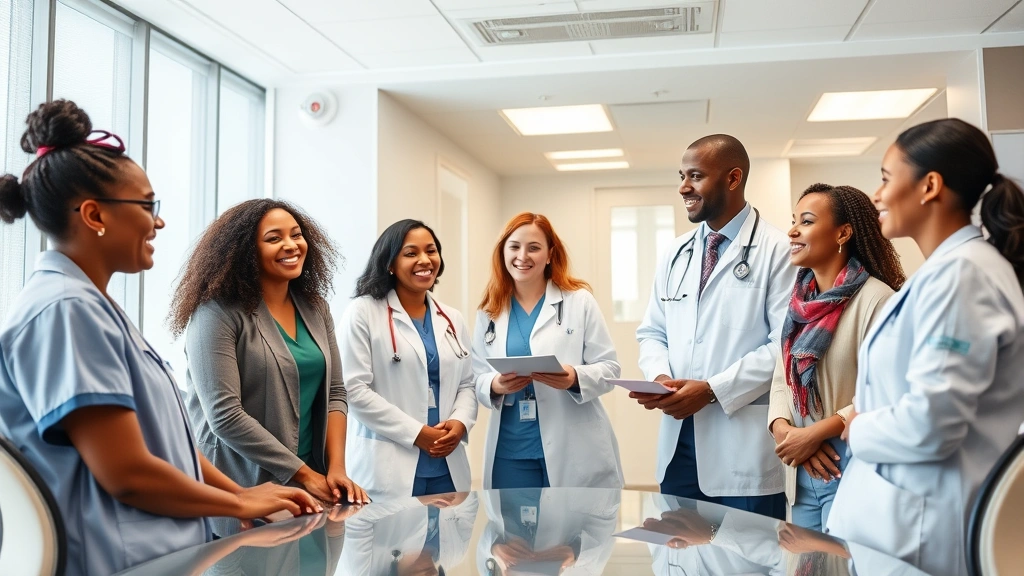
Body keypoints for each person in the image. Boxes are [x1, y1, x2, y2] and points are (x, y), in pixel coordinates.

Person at [0, 100, 319, 576]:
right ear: (93, 214)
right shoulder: (65, 311)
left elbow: (164, 445)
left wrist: (241, 493)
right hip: (116, 560)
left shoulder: (93, 307)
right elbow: (127, 472)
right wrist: (238, 506)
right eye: (148, 205)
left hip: (161, 552)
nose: (159, 221)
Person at [825, 118, 1024, 576]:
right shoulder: (946, 272)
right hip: (893, 528)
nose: (876, 195)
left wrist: (857, 428)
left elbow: (932, 424)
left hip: (919, 535)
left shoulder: (963, 276)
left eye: (886, 178)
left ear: (930, 185)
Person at [170, 199, 367, 537]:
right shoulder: (215, 314)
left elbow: (335, 392)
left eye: (296, 235)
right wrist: (303, 474)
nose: (291, 245)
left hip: (312, 483)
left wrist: (336, 468)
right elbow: (224, 416)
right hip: (243, 487)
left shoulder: (315, 308)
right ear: (246, 251)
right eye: (274, 238)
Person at [633, 134, 797, 519]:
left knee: (746, 561)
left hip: (741, 448)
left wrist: (711, 390)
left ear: (733, 178)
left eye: (695, 176)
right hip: (678, 448)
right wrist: (659, 377)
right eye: (682, 175)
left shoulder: (778, 251)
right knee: (682, 557)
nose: (683, 187)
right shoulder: (676, 252)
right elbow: (652, 332)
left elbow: (784, 345)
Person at [768, 184, 906, 530]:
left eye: (808, 221)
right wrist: (784, 430)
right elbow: (782, 377)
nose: (793, 231)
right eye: (794, 220)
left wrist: (815, 434)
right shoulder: (799, 301)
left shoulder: (878, 300)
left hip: (847, 461)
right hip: (800, 467)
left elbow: (883, 392)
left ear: (843, 232)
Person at [471, 212, 623, 489]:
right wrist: (494, 383)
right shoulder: (489, 310)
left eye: (534, 247)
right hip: (510, 448)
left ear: (550, 254)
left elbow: (610, 368)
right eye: (514, 246)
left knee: (568, 530)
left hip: (572, 445)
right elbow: (476, 374)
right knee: (514, 530)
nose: (522, 256)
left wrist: (574, 377)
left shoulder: (579, 301)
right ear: (503, 252)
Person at [339, 219, 477, 500]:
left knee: (445, 542)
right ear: (390, 263)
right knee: (395, 541)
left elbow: (468, 383)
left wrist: (460, 422)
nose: (424, 260)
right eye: (411, 253)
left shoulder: (451, 318)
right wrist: (417, 434)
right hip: (389, 467)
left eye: (431, 251)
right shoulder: (363, 312)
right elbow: (353, 390)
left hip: (446, 467)